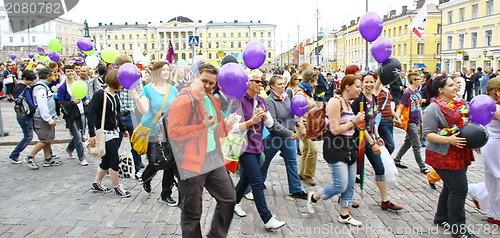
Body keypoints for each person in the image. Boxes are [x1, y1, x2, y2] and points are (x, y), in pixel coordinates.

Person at [167, 63, 237, 237]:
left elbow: (216, 131)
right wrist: (201, 126)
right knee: (192, 212)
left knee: (228, 198)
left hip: (213, 158)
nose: (207, 86)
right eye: (204, 81)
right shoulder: (184, 100)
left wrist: (226, 124)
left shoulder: (212, 100)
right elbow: (174, 133)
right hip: (190, 163)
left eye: (211, 83)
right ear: (195, 78)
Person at [423, 75, 478, 238]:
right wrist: (449, 139)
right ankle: (459, 229)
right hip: (442, 155)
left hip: (460, 152)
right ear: (441, 90)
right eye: (452, 85)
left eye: (456, 84)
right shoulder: (433, 108)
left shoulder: (459, 103)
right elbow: (427, 134)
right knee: (459, 190)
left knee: (450, 187)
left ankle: (441, 217)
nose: (456, 87)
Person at [306, 75, 364, 226]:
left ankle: (344, 214)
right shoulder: (335, 101)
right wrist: (354, 121)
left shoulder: (348, 103)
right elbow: (335, 129)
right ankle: (314, 197)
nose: (360, 89)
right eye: (358, 86)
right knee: (340, 185)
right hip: (336, 146)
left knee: (350, 184)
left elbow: (350, 127)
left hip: (349, 145)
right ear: (347, 86)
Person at [232, 69, 286, 230]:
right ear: (247, 82)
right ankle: (267, 218)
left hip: (257, 144)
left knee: (247, 178)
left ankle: (233, 202)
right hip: (244, 146)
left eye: (262, 81)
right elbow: (232, 127)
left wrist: (264, 116)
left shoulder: (261, 100)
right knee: (256, 181)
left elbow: (269, 124)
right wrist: (251, 121)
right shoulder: (239, 101)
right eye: (257, 81)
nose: (260, 84)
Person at [130, 61, 179, 206]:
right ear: (156, 72)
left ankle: (166, 194)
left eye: (167, 70)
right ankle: (146, 177)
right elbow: (144, 110)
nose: (166, 72)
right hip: (152, 130)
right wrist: (137, 98)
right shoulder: (148, 89)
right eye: (163, 69)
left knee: (170, 162)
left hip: (169, 131)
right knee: (156, 161)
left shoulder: (173, 90)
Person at [353, 72, 403, 211]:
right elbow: (360, 125)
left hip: (371, 138)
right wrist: (372, 143)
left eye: (371, 82)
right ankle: (343, 196)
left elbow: (373, 121)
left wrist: (377, 136)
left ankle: (385, 200)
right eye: (366, 82)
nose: (369, 85)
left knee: (379, 167)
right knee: (353, 169)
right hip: (360, 140)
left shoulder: (373, 98)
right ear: (362, 83)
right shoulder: (360, 101)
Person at [260, 75, 307, 200]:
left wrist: (298, 123)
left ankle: (296, 189)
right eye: (279, 84)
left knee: (292, 162)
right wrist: (289, 133)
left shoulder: (287, 97)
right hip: (274, 138)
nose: (282, 86)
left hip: (288, 138)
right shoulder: (269, 101)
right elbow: (273, 123)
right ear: (272, 86)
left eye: (283, 84)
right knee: (265, 162)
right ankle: (258, 183)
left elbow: (291, 114)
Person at [88, 69, 131, 197]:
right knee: (113, 159)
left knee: (106, 160)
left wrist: (123, 129)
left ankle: (96, 183)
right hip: (104, 132)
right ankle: (117, 187)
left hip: (114, 131)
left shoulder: (115, 95)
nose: (123, 85)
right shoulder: (100, 95)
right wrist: (91, 134)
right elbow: (91, 113)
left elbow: (116, 115)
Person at [394, 72, 431, 174]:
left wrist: (422, 118)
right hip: (410, 121)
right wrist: (397, 117)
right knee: (417, 144)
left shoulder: (418, 93)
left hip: (417, 120)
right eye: (419, 79)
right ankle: (422, 167)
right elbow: (401, 106)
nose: (421, 80)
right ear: (413, 81)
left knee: (408, 142)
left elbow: (418, 107)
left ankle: (397, 159)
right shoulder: (407, 93)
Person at [25, 68, 61, 169]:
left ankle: (47, 158)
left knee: (48, 139)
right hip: (42, 118)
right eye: (52, 75)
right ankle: (30, 157)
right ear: (47, 76)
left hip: (45, 117)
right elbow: (42, 105)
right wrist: (48, 119)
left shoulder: (43, 86)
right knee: (44, 140)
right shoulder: (41, 88)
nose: (53, 77)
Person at [114, 55, 143, 179]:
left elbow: (140, 94)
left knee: (134, 143)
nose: (116, 67)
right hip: (118, 114)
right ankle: (114, 167)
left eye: (118, 65)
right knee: (116, 142)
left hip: (131, 114)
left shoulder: (136, 77)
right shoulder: (116, 77)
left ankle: (137, 168)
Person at [58, 65, 89, 166]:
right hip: (71, 114)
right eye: (68, 71)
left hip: (81, 112)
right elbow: (61, 102)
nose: (70, 73)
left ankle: (70, 148)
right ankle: (82, 157)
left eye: (71, 71)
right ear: (65, 73)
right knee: (78, 136)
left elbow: (83, 94)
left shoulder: (78, 84)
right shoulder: (63, 87)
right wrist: (72, 103)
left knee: (81, 133)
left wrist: (86, 100)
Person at [295, 69, 319, 186]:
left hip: (309, 124)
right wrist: (302, 128)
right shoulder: (300, 93)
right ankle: (308, 174)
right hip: (303, 125)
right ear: (310, 81)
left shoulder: (307, 91)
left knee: (306, 149)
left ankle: (301, 172)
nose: (316, 84)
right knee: (313, 149)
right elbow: (296, 112)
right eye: (315, 82)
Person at [8, 70, 37, 163]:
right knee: (28, 136)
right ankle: (14, 154)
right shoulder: (21, 88)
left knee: (40, 135)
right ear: (24, 78)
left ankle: (49, 153)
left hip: (27, 114)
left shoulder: (24, 87)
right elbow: (24, 103)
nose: (31, 82)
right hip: (25, 115)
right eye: (30, 80)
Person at [376, 81, 401, 155]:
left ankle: (384, 162)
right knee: (390, 145)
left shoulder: (386, 88)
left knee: (387, 144)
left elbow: (389, 106)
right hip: (382, 120)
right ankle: (381, 159)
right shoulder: (377, 89)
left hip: (389, 120)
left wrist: (397, 117)